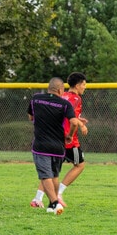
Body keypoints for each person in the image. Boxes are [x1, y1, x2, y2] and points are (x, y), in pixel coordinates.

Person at [31, 72, 88, 209]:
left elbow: (63, 115)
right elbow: (71, 119)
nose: (85, 88)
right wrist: (80, 124)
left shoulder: (62, 96)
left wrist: (79, 120)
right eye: (84, 85)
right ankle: (59, 195)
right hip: (68, 140)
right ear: (77, 85)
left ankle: (38, 198)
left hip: (53, 138)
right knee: (80, 165)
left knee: (49, 172)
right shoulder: (75, 98)